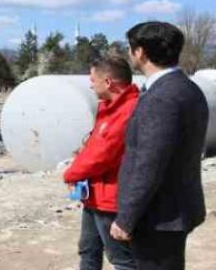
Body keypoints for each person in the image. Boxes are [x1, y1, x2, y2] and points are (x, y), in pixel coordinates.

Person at [110, 21, 208, 270]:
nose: (130, 54)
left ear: (140, 52)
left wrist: (126, 219)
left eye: (130, 48)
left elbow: (149, 164)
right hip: (174, 210)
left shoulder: (162, 97)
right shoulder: (188, 89)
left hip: (158, 216)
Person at [64, 56, 140, 270]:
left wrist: (71, 174)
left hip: (111, 199)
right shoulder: (109, 107)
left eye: (93, 79)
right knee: (88, 250)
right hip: (95, 195)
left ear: (108, 82)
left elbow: (103, 154)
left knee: (121, 259)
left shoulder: (127, 110)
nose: (90, 84)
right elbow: (95, 145)